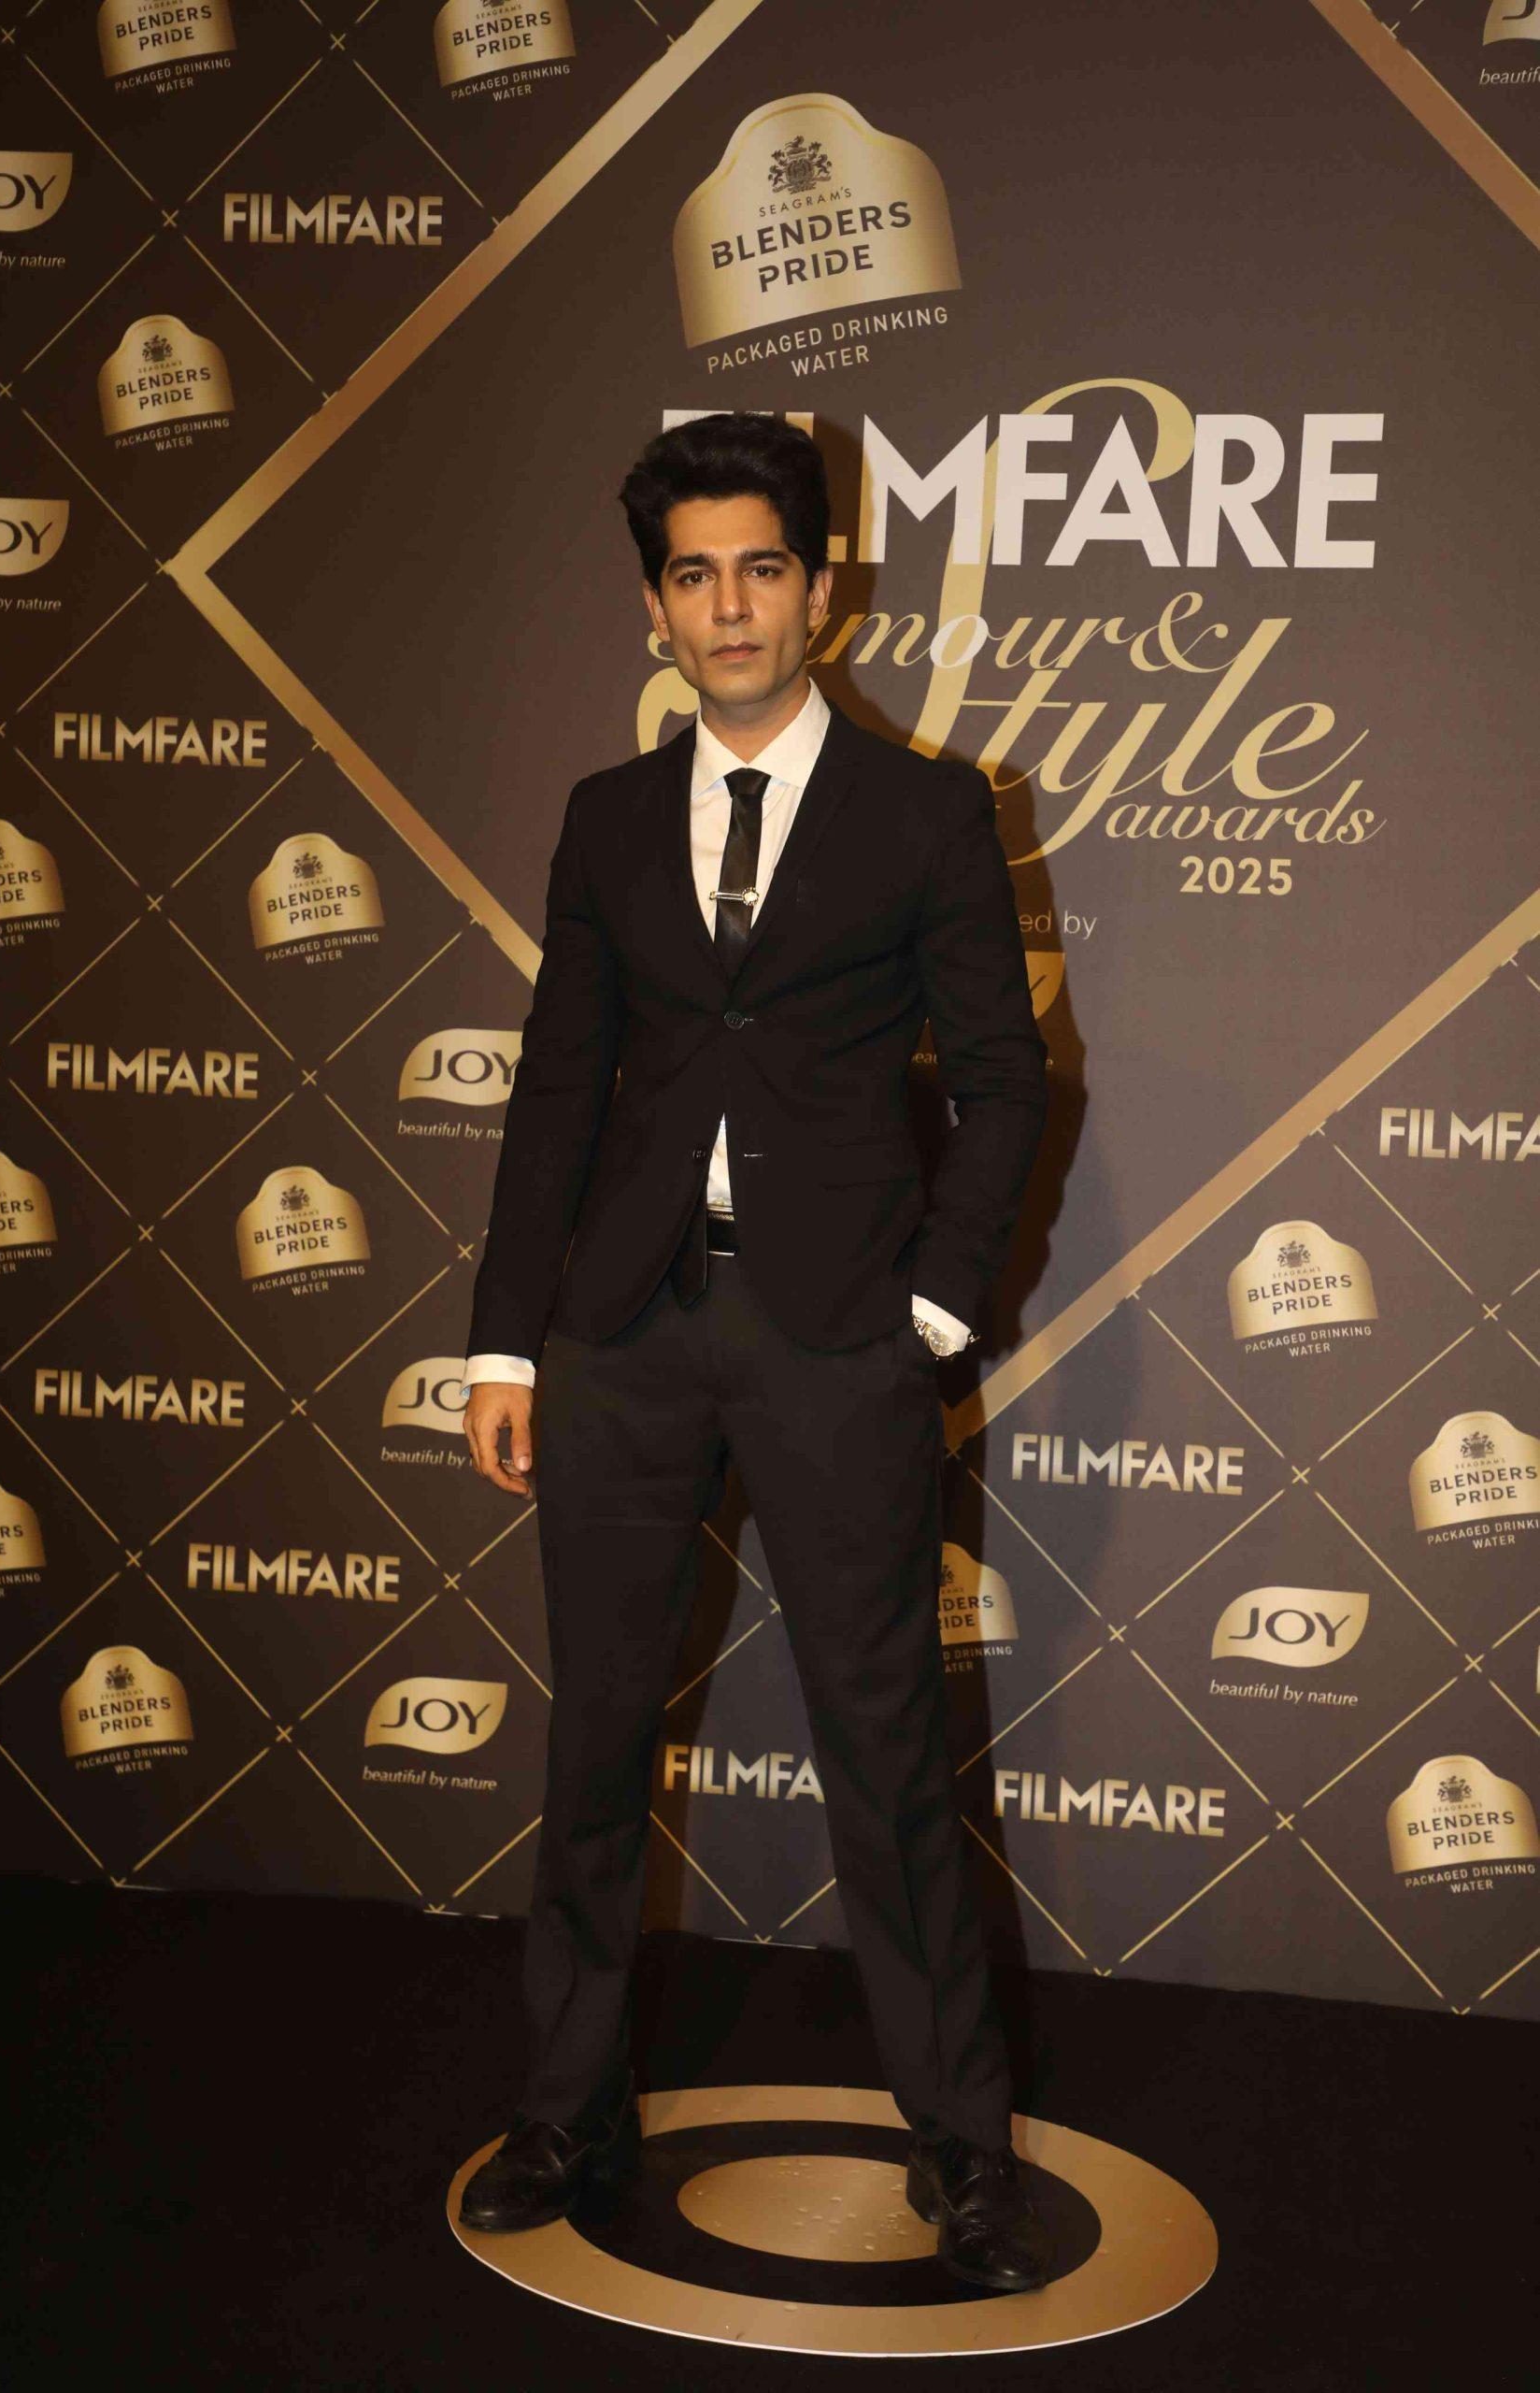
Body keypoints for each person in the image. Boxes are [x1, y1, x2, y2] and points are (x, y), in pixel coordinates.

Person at [455, 413, 1051, 2291]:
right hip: (623, 1335)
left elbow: (1009, 1079)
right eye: (693, 575)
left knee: (886, 1751)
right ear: (655, 604)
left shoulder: (926, 812)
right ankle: (567, 2111)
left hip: (836, 1339)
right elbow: (559, 1092)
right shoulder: (606, 817)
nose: (728, 607)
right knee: (593, 1743)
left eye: (761, 568)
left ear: (822, 589)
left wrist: (930, 1311)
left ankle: (958, 2145)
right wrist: (503, 1346)